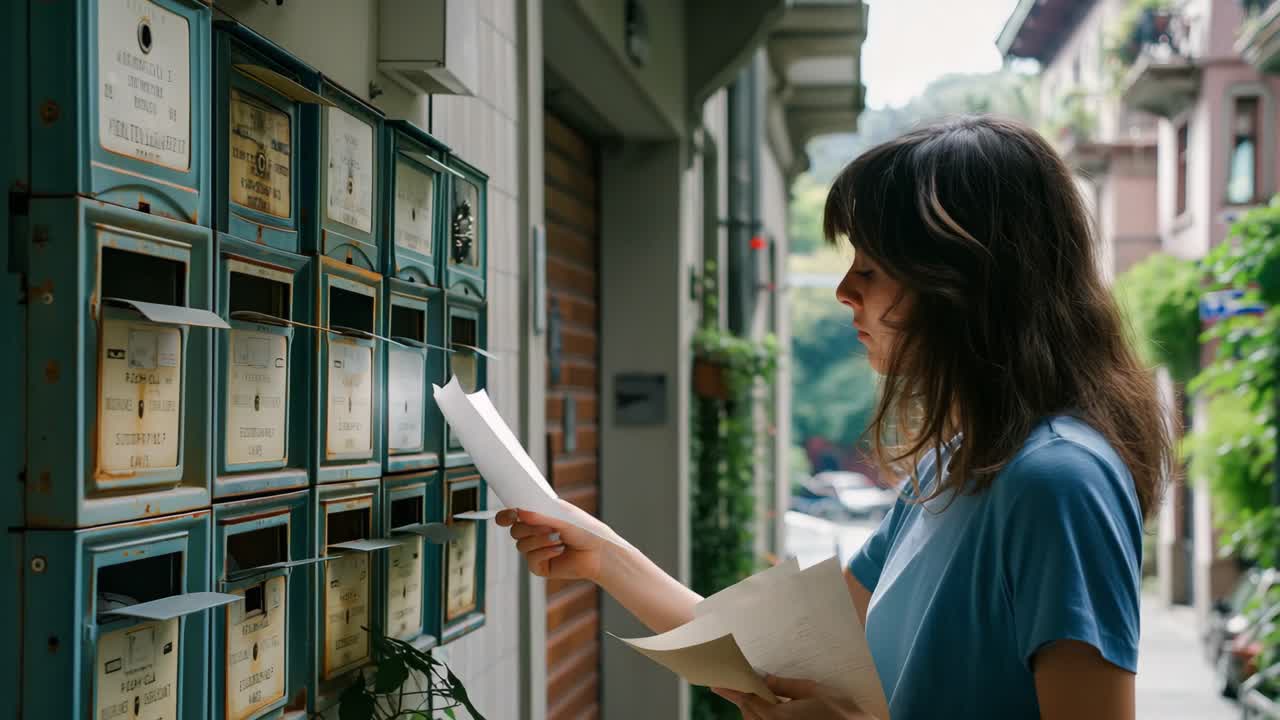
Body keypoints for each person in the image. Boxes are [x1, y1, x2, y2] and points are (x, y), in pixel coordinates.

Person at [497, 115, 1171, 719]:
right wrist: (604, 556)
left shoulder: (1058, 479)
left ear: (961, 282)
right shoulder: (952, 469)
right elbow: (768, 656)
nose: (846, 290)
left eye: (872, 268)